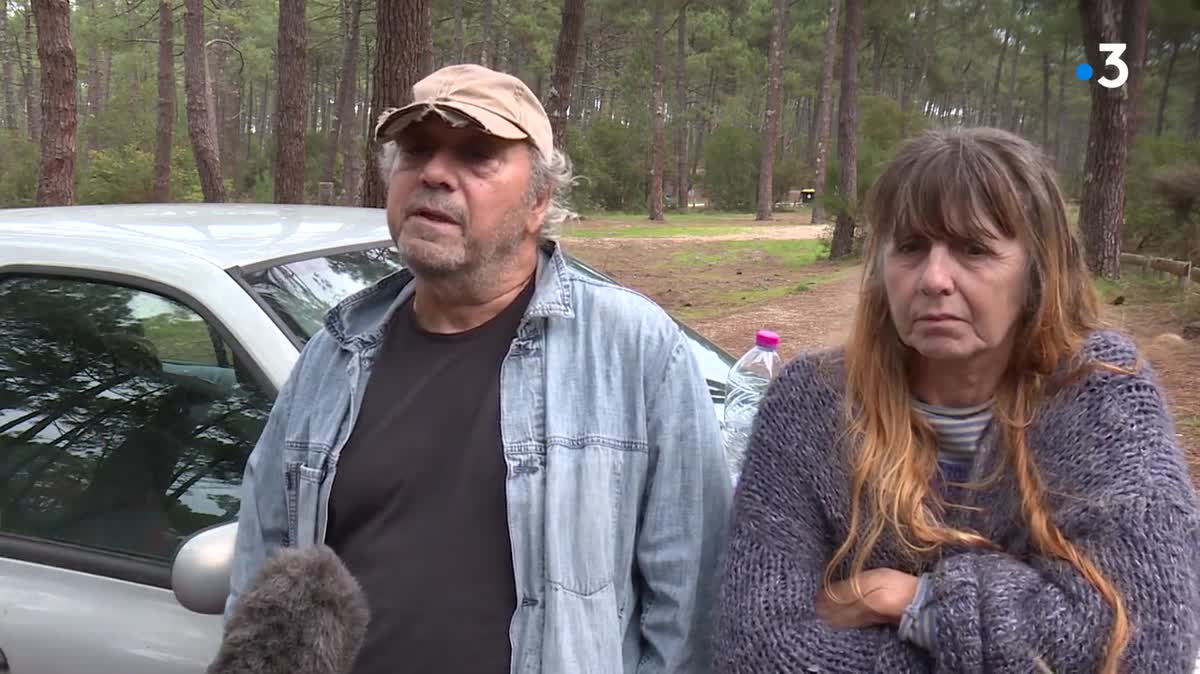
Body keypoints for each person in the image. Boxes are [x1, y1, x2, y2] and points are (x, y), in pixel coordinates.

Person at [226, 63, 732, 674]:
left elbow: (693, 609)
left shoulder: (634, 350)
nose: (435, 173)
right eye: (416, 150)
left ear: (538, 201)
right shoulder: (335, 353)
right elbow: (262, 567)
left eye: (476, 155)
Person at [709, 127, 1200, 672]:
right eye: (912, 247)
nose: (934, 279)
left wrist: (911, 601)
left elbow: (1149, 645)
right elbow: (757, 649)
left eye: (975, 249)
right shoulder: (812, 405)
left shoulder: (1102, 395)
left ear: (1037, 271)